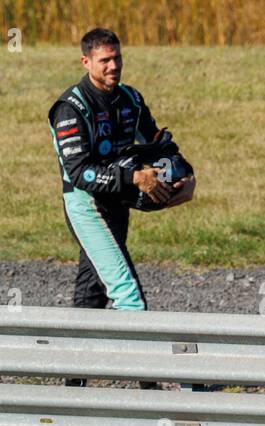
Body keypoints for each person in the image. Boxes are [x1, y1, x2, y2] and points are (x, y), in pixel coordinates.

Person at [50, 27, 195, 313]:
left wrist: (186, 176)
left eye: (117, 58)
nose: (113, 66)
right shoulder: (71, 108)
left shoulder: (130, 99)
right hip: (87, 205)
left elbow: (160, 145)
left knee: (91, 293)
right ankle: (137, 356)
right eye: (104, 60)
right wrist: (135, 177)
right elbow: (80, 172)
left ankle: (75, 353)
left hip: (119, 200)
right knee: (129, 298)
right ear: (86, 62)